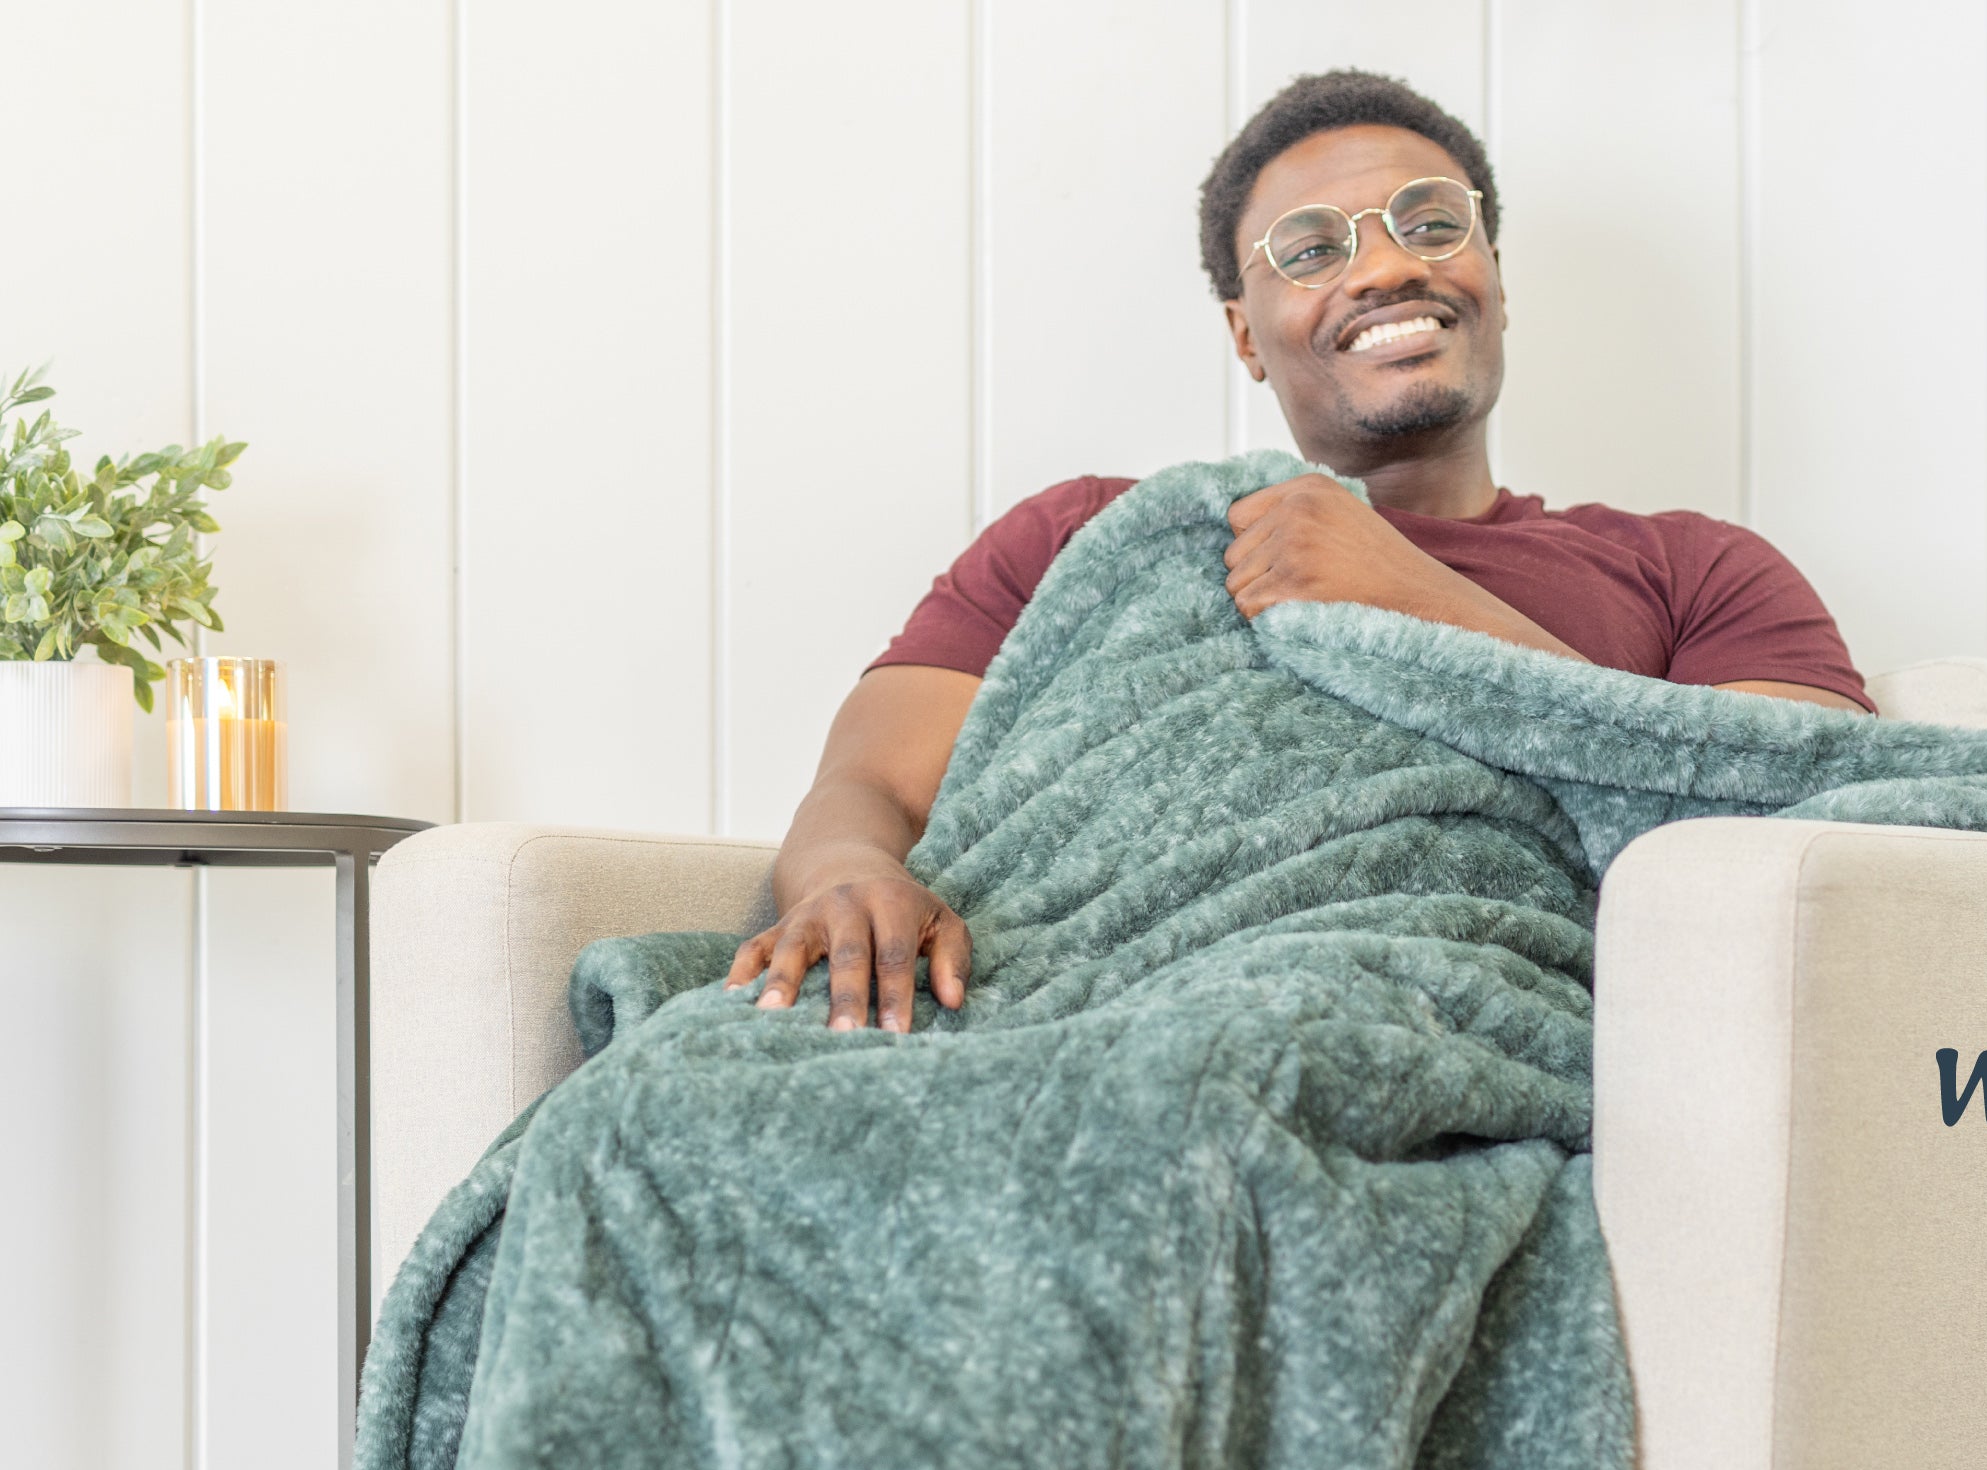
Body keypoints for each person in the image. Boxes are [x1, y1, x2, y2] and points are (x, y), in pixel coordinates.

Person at [726, 69, 1871, 1035]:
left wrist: (1414, 597)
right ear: (1245, 337)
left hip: (1397, 1009)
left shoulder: (1695, 571)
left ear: (1497, 281)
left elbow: (1815, 827)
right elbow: (871, 784)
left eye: (1430, 224)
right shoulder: (1088, 535)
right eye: (1311, 248)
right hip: (1039, 996)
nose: (1382, 271)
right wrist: (848, 880)